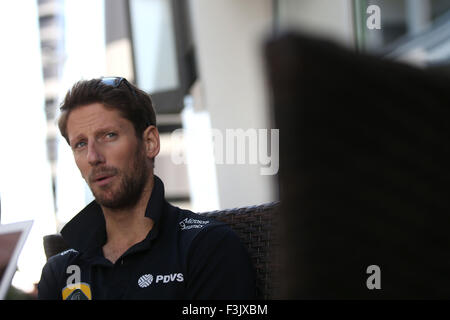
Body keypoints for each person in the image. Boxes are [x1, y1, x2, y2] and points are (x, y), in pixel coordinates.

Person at [37, 77, 256, 300]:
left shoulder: (207, 246)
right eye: (81, 144)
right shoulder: (60, 270)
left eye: (109, 135)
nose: (93, 157)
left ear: (150, 142)